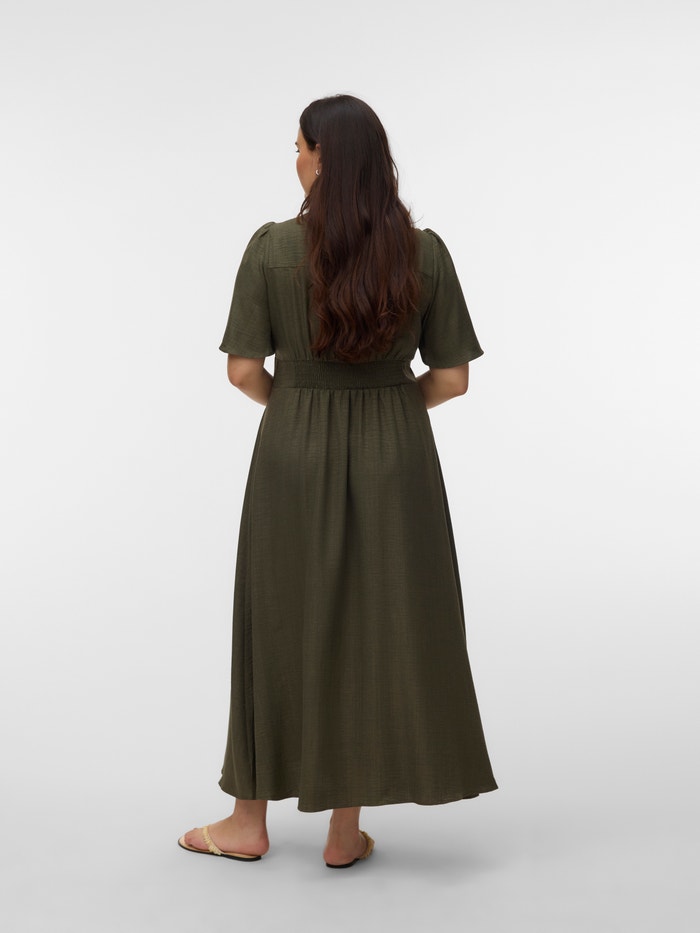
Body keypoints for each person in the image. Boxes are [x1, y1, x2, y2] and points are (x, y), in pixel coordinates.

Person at [178, 94, 497, 869]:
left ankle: (247, 822)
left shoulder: (271, 248)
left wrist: (297, 404)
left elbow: (243, 370)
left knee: (274, 620)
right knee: (373, 624)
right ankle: (344, 832)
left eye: (298, 147)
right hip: (397, 456)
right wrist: (390, 406)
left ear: (323, 160)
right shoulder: (424, 253)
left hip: (292, 451)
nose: (294, 159)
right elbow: (452, 378)